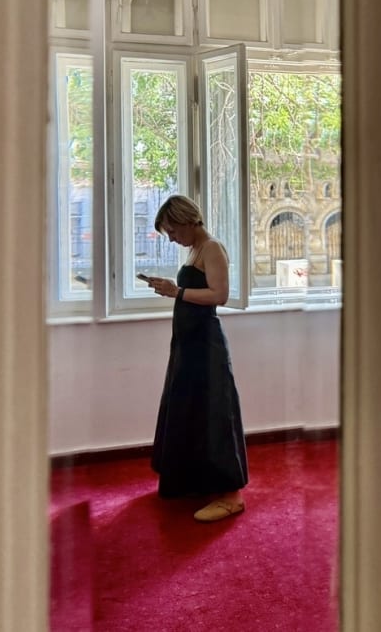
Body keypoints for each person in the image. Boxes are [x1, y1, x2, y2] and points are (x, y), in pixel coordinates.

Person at [144, 194, 249, 522]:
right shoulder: (195, 250)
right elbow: (194, 293)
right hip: (188, 344)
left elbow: (220, 295)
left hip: (206, 344)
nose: (172, 238)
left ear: (187, 220)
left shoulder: (212, 248)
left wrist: (176, 291)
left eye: (173, 231)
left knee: (215, 411)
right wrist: (172, 289)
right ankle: (196, 481)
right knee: (191, 410)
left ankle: (231, 496)